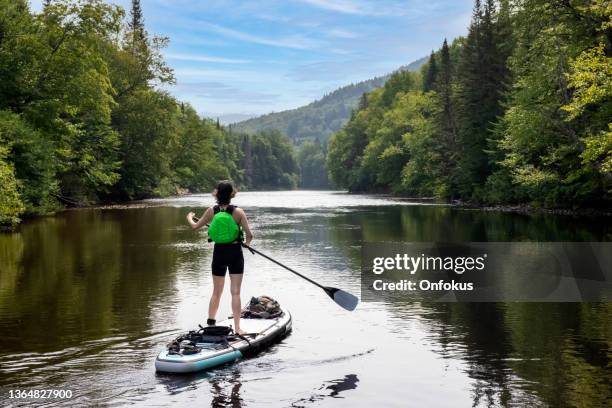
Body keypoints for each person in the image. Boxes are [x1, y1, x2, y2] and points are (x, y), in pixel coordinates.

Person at [186, 180, 253, 335]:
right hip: (235, 252)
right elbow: (249, 235)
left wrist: (190, 217)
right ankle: (238, 328)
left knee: (216, 291)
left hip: (219, 253)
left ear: (216, 194)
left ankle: (210, 324)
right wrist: (247, 244)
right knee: (235, 292)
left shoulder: (212, 211)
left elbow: (195, 227)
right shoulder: (238, 212)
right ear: (232, 194)